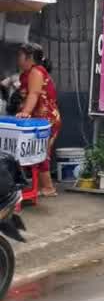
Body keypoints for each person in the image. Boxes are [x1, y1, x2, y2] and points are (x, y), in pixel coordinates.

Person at [15, 43, 58, 197]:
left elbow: (34, 94)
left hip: (45, 119)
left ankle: (48, 187)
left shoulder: (36, 72)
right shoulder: (27, 73)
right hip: (38, 118)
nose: (18, 59)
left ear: (30, 58)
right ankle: (39, 187)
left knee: (40, 152)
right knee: (36, 152)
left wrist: (25, 112)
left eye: (20, 55)